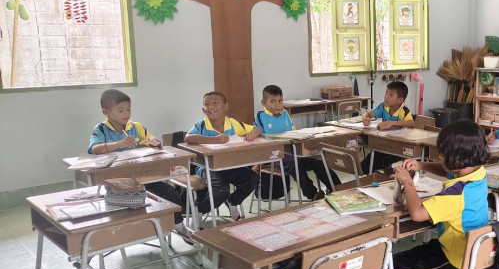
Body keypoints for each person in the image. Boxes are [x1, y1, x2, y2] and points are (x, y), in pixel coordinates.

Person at [392, 119, 490, 269]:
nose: (440, 157)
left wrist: (408, 183)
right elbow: (448, 171)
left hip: (455, 264)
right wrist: (421, 165)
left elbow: (417, 213)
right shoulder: (477, 174)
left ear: (456, 157)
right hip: (474, 258)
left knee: (390, 264)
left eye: (442, 154)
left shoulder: (455, 195)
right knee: (419, 253)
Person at [89, 88, 190, 239]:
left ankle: (178, 225)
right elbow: (94, 149)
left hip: (142, 177)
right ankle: (139, 232)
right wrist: (119, 144)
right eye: (121, 110)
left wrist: (152, 143)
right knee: (136, 203)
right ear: (106, 112)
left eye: (129, 109)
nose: (126, 114)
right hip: (116, 183)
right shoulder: (101, 129)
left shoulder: (136, 127)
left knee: (169, 192)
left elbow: (156, 143)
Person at [254, 84, 341, 200]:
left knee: (318, 163)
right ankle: (312, 194)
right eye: (272, 101)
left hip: (293, 153)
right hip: (275, 156)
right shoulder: (261, 116)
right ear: (264, 103)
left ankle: (338, 188)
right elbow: (258, 140)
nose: (277, 105)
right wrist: (258, 162)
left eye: (280, 101)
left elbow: (294, 133)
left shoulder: (285, 114)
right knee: (294, 164)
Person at [185, 91, 261, 220]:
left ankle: (232, 201)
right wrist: (215, 140)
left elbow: (256, 129)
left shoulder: (233, 124)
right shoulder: (202, 124)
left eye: (215, 103)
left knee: (253, 179)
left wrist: (253, 134)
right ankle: (199, 210)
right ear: (203, 109)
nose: (211, 106)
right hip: (209, 168)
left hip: (231, 166)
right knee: (221, 191)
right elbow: (188, 138)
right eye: (207, 104)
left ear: (226, 106)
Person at [361, 81, 416, 173]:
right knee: (368, 162)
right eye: (386, 92)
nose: (386, 96)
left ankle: (375, 174)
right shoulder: (383, 107)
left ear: (400, 100)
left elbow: (412, 124)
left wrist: (392, 123)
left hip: (398, 148)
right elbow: (368, 114)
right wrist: (365, 118)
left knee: (379, 162)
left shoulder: (404, 111)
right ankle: (367, 173)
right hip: (383, 144)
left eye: (391, 94)